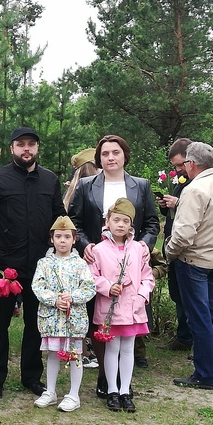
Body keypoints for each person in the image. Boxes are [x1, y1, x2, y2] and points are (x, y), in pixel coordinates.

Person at [68, 134, 159, 398]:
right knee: (100, 319)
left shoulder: (140, 185)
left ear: (124, 155)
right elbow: (75, 221)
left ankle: (124, 381)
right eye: (105, 153)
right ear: (99, 158)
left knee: (127, 320)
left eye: (115, 152)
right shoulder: (86, 185)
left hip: (130, 264)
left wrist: (143, 245)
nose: (110, 157)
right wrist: (83, 244)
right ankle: (105, 377)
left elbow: (152, 222)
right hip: (98, 262)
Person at [0, 127, 65, 400]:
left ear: (37, 148)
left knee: (34, 324)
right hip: (5, 268)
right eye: (20, 144)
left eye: (31, 144)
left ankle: (31, 377)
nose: (26, 149)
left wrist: (62, 254)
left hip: (40, 268)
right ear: (12, 148)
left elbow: (59, 220)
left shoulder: (50, 180)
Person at [89, 198, 155, 413]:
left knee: (128, 349)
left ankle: (126, 390)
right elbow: (91, 276)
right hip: (109, 308)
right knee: (112, 348)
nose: (120, 225)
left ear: (130, 225)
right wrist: (108, 287)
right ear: (107, 222)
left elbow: (147, 277)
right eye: (116, 220)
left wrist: (141, 296)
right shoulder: (98, 250)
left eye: (125, 221)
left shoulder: (138, 249)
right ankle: (112, 390)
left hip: (133, 308)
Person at [32, 216, 95, 412]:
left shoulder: (80, 264)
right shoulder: (44, 263)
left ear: (74, 239)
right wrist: (54, 299)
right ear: (52, 239)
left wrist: (72, 297)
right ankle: (50, 391)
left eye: (67, 236)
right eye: (58, 236)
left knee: (74, 355)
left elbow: (89, 288)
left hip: (73, 320)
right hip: (51, 319)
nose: (62, 240)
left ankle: (73, 395)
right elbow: (38, 285)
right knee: (52, 354)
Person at [165, 141, 213, 390]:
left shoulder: (195, 190)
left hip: (194, 262)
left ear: (191, 164)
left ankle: (205, 374)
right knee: (211, 317)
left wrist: (169, 252)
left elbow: (183, 235)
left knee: (199, 318)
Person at [158, 138, 193, 352]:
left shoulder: (201, 182)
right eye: (175, 166)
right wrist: (165, 205)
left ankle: (194, 338)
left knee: (195, 297)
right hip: (173, 244)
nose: (179, 170)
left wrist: (178, 203)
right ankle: (183, 336)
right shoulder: (179, 179)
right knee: (177, 292)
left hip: (191, 248)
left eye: (181, 165)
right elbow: (171, 214)